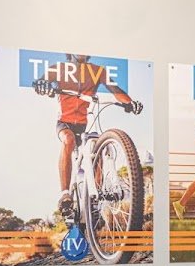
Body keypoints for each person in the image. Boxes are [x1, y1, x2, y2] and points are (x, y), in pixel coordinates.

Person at [33, 54, 142, 215]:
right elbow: (40, 82)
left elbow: (115, 90)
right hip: (65, 123)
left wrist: (129, 102)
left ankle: (95, 200)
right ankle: (65, 194)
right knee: (68, 140)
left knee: (98, 147)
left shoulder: (98, 71)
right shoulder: (59, 68)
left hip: (85, 123)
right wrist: (42, 85)